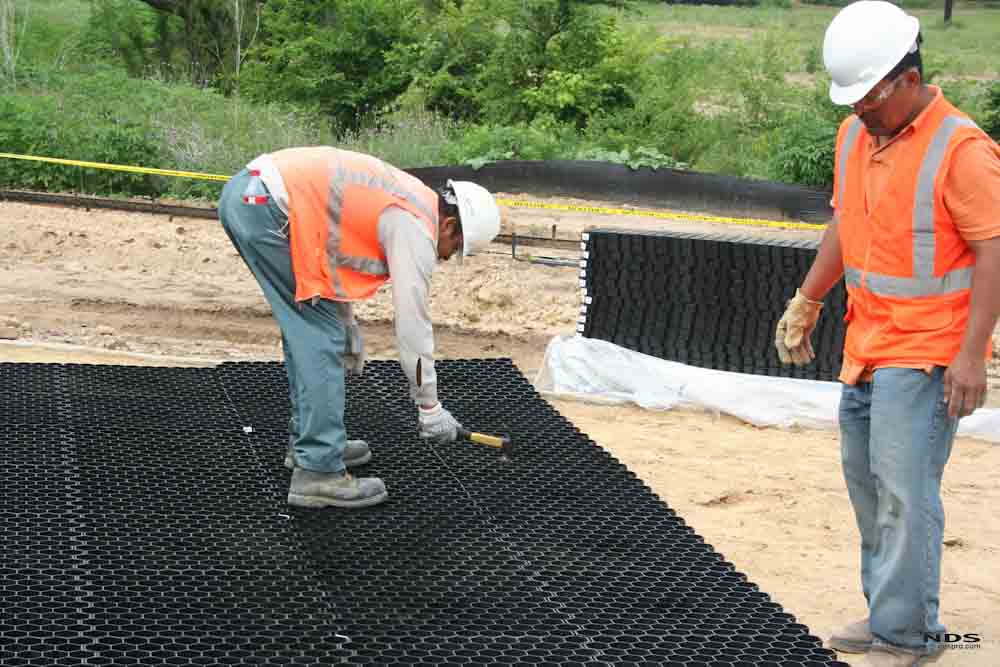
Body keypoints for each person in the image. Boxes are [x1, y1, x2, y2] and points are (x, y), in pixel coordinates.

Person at [774, 2, 1000, 666]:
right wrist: (808, 299)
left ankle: (907, 633)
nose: (860, 111)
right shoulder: (856, 137)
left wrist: (971, 356)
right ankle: (888, 612)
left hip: (930, 351)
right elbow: (846, 225)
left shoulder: (962, 150)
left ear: (909, 76)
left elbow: (994, 250)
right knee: (868, 482)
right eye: (852, 101)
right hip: (866, 344)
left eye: (869, 97)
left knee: (905, 487)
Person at [218, 147, 502, 510]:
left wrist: (348, 326)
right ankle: (317, 470)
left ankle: (313, 444)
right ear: (448, 225)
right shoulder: (414, 225)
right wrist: (429, 406)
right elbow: (412, 323)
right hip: (263, 206)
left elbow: (328, 258)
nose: (446, 257)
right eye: (455, 248)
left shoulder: (410, 199)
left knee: (319, 330)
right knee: (319, 337)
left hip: (257, 196)